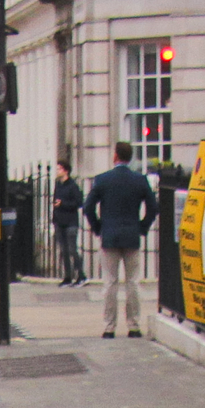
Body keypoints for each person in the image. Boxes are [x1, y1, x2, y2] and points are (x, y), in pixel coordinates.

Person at [83, 139, 158, 338]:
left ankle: (109, 327)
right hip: (132, 235)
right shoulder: (140, 180)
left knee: (110, 283)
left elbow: (88, 207)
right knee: (133, 282)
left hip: (110, 236)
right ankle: (133, 325)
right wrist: (142, 227)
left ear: (115, 156)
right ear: (130, 157)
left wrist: (98, 227)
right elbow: (153, 208)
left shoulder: (103, 179)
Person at [52, 160, 86, 286]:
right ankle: (68, 277)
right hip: (60, 221)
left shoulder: (72, 185)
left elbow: (78, 202)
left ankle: (81, 275)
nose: (57, 171)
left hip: (71, 221)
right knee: (64, 251)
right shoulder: (58, 185)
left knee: (72, 250)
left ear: (66, 170)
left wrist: (63, 204)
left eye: (59, 169)